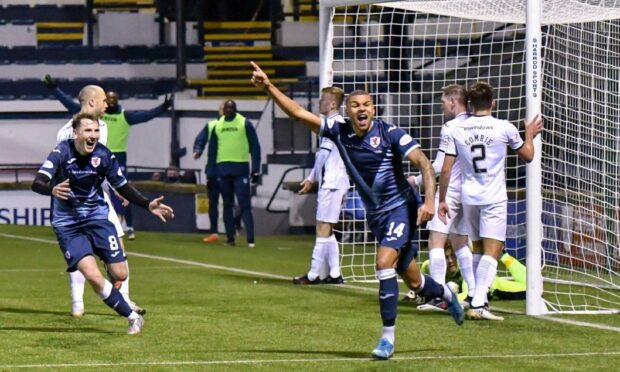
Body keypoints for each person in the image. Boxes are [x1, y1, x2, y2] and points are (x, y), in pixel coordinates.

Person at [251, 61, 463, 361]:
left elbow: (425, 165)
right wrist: (269, 87)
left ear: (374, 109)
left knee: (382, 263)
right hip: (376, 216)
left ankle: (387, 339)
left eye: (366, 105)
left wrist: (429, 201)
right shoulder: (338, 131)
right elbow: (299, 114)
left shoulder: (390, 133)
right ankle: (445, 294)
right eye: (355, 105)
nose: (361, 109)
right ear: (347, 111)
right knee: (413, 280)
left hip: (401, 207)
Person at [32, 112, 175, 333]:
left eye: (96, 131)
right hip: (68, 225)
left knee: (120, 274)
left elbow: (123, 186)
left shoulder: (104, 155)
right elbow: (37, 182)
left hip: (98, 218)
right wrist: (51, 188)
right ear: (76, 133)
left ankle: (110, 276)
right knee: (92, 274)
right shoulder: (61, 152)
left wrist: (148, 204)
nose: (93, 135)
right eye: (88, 131)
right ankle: (132, 317)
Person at [438, 81, 543, 321]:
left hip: (468, 197)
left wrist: (442, 199)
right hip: (493, 197)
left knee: (476, 248)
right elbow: (528, 155)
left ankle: (475, 293)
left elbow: (446, 170)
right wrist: (528, 134)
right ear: (493, 102)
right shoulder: (504, 127)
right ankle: (479, 302)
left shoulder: (457, 129)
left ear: (471, 104)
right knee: (492, 252)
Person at [43, 75, 173, 240]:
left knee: (123, 198)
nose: (107, 104)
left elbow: (146, 116)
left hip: (110, 169)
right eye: (105, 100)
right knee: (87, 255)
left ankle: (129, 226)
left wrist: (162, 107)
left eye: (109, 100)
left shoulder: (111, 121)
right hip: (84, 187)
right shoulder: (81, 125)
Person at [55, 85, 144, 318]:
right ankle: (79, 300)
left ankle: (117, 299)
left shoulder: (100, 127)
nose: (107, 105)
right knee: (81, 253)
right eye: (104, 100)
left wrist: (118, 190)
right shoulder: (67, 132)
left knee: (115, 246)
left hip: (99, 196)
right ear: (92, 102)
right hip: (78, 203)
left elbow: (101, 164)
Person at [404, 85, 476, 309]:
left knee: (435, 243)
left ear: (453, 102)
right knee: (461, 243)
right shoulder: (478, 124)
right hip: (471, 192)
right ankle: (474, 294)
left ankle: (438, 296)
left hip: (451, 191)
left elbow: (438, 166)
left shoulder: (450, 127)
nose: (442, 106)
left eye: (444, 102)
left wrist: (415, 181)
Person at [293, 87, 350, 285]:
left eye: (323, 99)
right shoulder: (340, 124)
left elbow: (323, 155)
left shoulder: (332, 125)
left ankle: (313, 274)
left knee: (322, 228)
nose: (319, 102)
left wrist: (310, 178)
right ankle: (335, 273)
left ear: (333, 104)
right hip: (338, 182)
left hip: (333, 183)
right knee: (329, 228)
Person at [207, 99, 261, 247]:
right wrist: (211, 172)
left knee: (244, 205)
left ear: (236, 109)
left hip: (241, 170)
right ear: (223, 110)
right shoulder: (217, 125)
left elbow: (255, 147)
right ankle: (230, 238)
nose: (229, 110)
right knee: (227, 205)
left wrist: (256, 170)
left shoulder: (244, 123)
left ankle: (250, 238)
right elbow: (212, 151)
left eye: (232, 108)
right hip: (223, 171)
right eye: (227, 108)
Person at [411, 242, 526, 311]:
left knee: (532, 287)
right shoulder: (429, 266)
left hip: (492, 286)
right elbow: (421, 283)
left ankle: (503, 255)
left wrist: (444, 299)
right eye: (446, 257)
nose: (450, 261)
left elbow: (467, 296)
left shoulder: (465, 269)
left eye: (453, 256)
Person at [193, 101, 224, 243]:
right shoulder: (212, 125)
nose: (224, 111)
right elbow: (201, 138)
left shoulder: (239, 124)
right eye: (223, 108)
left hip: (230, 170)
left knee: (231, 202)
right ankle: (214, 232)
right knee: (213, 202)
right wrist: (198, 150)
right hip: (213, 170)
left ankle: (233, 231)